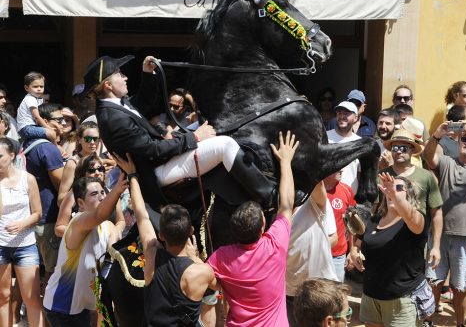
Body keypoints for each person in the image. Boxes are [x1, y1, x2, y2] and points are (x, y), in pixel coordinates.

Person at [83, 55, 299, 214]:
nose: (125, 77)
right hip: (155, 172)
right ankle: (271, 197)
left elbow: (143, 103)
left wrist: (147, 74)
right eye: (120, 74)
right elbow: (153, 149)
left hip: (161, 161)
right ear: (109, 84)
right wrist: (195, 137)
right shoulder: (112, 118)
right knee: (223, 145)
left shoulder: (115, 106)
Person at [113, 152, 217, 327]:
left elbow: (141, 213)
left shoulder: (152, 251)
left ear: (161, 235)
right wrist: (195, 258)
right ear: (191, 231)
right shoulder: (201, 271)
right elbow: (219, 287)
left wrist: (132, 175)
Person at [207, 131, 299, 327]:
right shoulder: (275, 244)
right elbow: (286, 204)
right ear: (262, 227)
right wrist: (285, 161)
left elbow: (208, 280)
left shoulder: (221, 257)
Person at [423, 119, 466, 327]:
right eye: (465, 139)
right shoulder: (447, 162)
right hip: (439, 235)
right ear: (459, 141)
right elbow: (428, 157)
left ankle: (460, 323)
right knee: (433, 281)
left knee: (460, 286)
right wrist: (436, 136)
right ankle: (428, 321)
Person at [43, 174, 125, 326]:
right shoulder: (78, 222)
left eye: (102, 192)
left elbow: (115, 237)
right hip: (62, 306)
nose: (101, 197)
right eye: (94, 194)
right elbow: (100, 214)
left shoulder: (107, 226)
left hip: (85, 304)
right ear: (80, 203)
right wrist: (118, 189)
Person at [352, 173, 431, 327]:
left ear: (409, 195)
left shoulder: (416, 219)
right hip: (371, 296)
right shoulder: (374, 220)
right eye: (389, 187)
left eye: (399, 187)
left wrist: (396, 197)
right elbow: (357, 244)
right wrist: (355, 254)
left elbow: (412, 217)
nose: (392, 190)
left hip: (401, 300)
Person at [380, 129, 443, 271]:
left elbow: (436, 213)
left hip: (416, 242)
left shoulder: (426, 176)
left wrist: (436, 246)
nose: (399, 152)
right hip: (386, 241)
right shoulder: (381, 175)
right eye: (395, 148)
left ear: (412, 150)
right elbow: (375, 210)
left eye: (403, 148)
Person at [0, 137, 43, 327]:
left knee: (32, 298)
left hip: (25, 244)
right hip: (1, 244)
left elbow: (37, 213)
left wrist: (21, 224)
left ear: (11, 155)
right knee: (3, 296)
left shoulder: (28, 179)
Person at [23, 103, 66, 285]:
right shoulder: (47, 148)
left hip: (33, 217)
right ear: (45, 122)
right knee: (53, 270)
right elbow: (61, 184)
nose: (63, 123)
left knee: (36, 270)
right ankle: (51, 313)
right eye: (59, 119)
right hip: (49, 219)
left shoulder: (29, 144)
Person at [286, 181, 338, 326]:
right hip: (290, 293)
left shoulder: (313, 202)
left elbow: (334, 238)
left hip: (321, 289)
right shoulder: (276, 208)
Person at [55, 154, 125, 237]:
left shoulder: (111, 192)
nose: (97, 173)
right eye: (92, 170)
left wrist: (114, 233)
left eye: (100, 169)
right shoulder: (73, 194)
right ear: (81, 174)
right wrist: (84, 234)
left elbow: (120, 221)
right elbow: (59, 228)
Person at [324, 170, 356, 284]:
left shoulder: (346, 190)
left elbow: (352, 223)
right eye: (338, 165)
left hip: (338, 256)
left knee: (337, 293)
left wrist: (352, 250)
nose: (342, 169)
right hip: (315, 254)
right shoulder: (311, 189)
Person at [326, 101, 361, 194]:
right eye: (339, 113)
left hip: (350, 198)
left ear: (355, 118)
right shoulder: (324, 137)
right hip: (326, 196)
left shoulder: (360, 142)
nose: (342, 116)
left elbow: (360, 173)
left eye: (346, 113)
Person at [16, 72, 57, 144]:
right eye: (35, 87)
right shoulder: (30, 99)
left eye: (41, 86)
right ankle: (56, 148)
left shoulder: (36, 98)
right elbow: (37, 117)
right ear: (26, 88)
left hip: (29, 127)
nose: (39, 89)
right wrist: (48, 127)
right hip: (27, 128)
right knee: (52, 133)